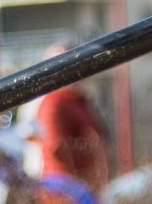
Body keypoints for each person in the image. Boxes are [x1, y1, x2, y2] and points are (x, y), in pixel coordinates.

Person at [30, 44, 111, 195]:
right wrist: (90, 150)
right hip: (67, 195)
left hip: (87, 190)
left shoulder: (77, 101)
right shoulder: (54, 103)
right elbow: (55, 147)